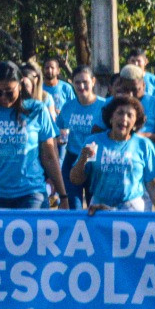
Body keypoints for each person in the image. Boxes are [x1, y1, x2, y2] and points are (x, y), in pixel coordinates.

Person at [0, 62, 65, 208]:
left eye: (9, 92)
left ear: (20, 85)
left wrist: (63, 195)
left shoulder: (37, 110)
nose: (3, 97)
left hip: (31, 192)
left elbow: (50, 155)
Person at [68, 95, 155, 211]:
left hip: (132, 209)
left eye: (130, 115)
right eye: (120, 113)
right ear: (111, 117)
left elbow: (153, 185)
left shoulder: (143, 145)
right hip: (99, 209)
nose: (124, 118)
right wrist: (82, 160)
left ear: (135, 122)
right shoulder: (94, 142)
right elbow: (75, 179)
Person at [57, 67, 107, 209]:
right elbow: (57, 130)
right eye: (77, 82)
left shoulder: (104, 106)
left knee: (95, 204)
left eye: (85, 82)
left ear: (93, 81)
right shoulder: (68, 106)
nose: (81, 86)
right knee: (74, 205)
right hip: (72, 158)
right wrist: (59, 139)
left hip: (95, 159)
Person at [111, 65, 155, 148]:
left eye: (135, 90)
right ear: (120, 86)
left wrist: (143, 136)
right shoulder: (113, 102)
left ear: (144, 86)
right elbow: (97, 131)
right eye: (126, 90)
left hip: (144, 154)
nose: (131, 95)